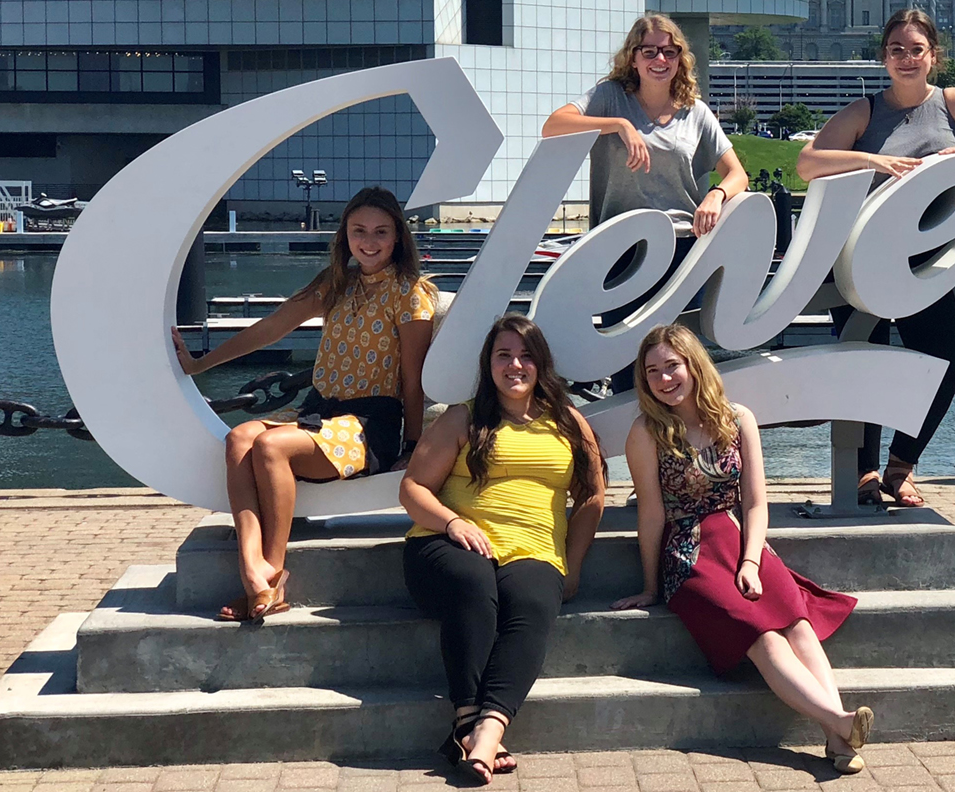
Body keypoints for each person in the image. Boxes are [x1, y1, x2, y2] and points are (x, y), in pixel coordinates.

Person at [795, 8, 955, 507]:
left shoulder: (954, 104)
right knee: (861, 365)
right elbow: (807, 163)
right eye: (896, 50)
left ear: (933, 56)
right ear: (883, 57)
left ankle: (901, 467)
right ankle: (863, 474)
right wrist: (871, 159)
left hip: (928, 264)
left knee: (945, 366)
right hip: (857, 259)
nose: (906, 59)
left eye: (916, 50)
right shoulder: (864, 111)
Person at [610, 325, 873, 774]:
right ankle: (839, 722)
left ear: (694, 365)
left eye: (672, 366)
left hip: (741, 540)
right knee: (763, 636)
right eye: (652, 371)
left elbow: (755, 501)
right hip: (688, 551)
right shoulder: (646, 431)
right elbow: (651, 514)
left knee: (798, 625)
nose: (663, 379)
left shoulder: (737, 419)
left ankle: (839, 740)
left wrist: (751, 560)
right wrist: (651, 586)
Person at [173, 186, 435, 622]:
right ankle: (252, 570)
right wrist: (201, 364)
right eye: (359, 231)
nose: (369, 241)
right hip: (319, 413)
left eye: (380, 232)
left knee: (270, 447)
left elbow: (413, 378)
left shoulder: (411, 294)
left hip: (370, 424)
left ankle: (273, 578)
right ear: (345, 236)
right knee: (240, 438)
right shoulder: (334, 284)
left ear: (397, 239)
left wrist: (412, 446)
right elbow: (270, 329)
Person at [400, 315, 607, 784]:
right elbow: (412, 488)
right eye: (503, 355)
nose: (515, 365)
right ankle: (470, 721)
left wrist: (572, 566)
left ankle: (484, 732)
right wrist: (453, 523)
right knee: (474, 582)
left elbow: (592, 495)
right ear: (488, 364)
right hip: (445, 545)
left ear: (541, 364)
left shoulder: (568, 421)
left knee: (532, 601)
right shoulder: (463, 416)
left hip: (534, 552)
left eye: (526, 355)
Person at [541, 14, 749, 390]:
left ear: (680, 58)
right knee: (626, 365)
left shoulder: (694, 111)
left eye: (670, 52)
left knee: (676, 364)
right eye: (650, 51)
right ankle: (633, 446)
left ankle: (679, 445)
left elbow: (738, 174)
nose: (660, 60)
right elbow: (553, 125)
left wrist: (717, 195)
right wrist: (619, 125)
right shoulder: (609, 97)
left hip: (683, 248)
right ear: (633, 57)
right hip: (621, 249)